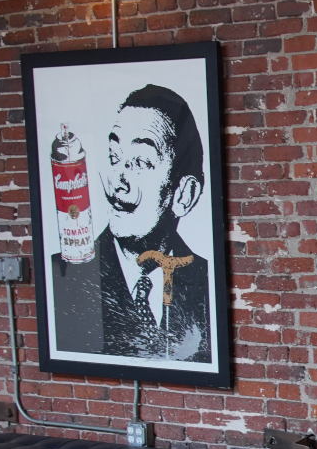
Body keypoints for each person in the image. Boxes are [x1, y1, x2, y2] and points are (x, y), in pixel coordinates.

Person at [51, 84, 211, 362]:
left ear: (184, 195)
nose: (117, 182)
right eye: (114, 157)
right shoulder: (66, 276)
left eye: (140, 162)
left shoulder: (205, 279)